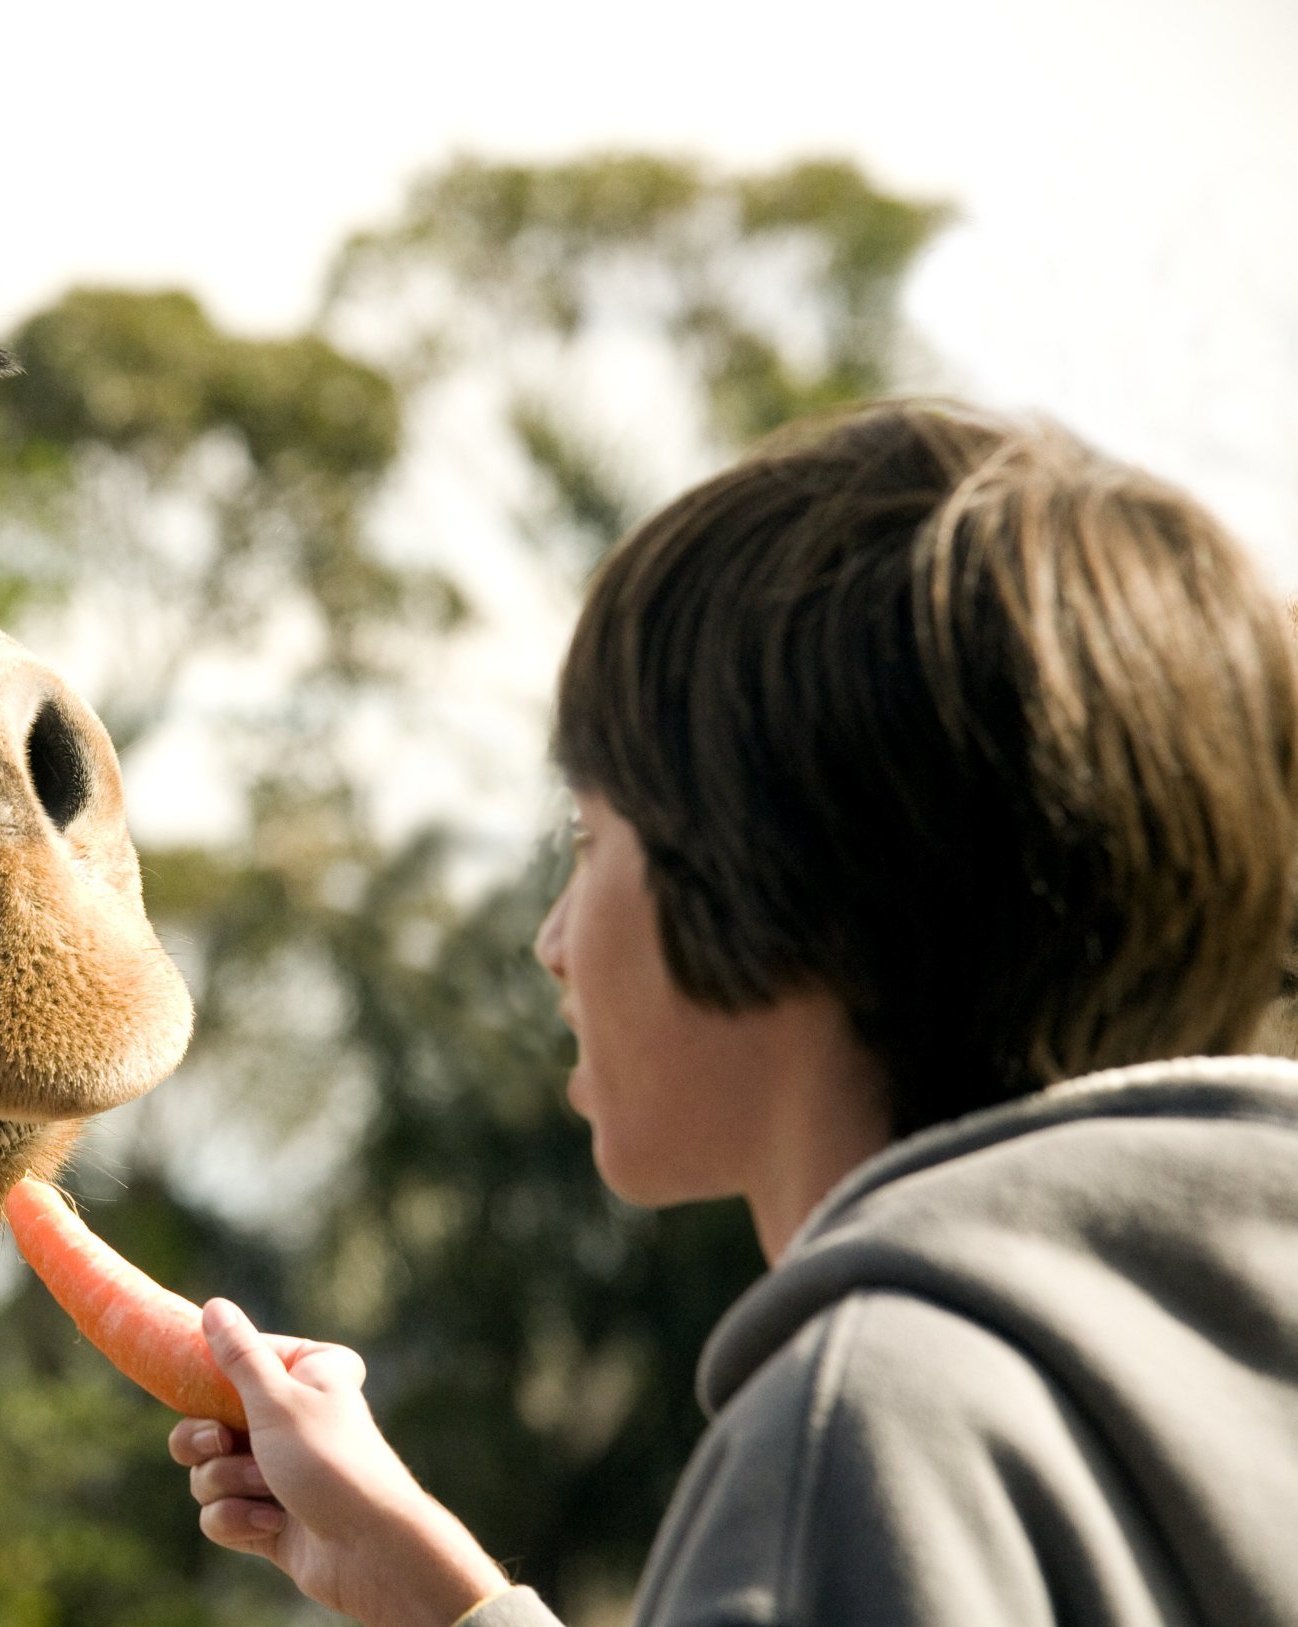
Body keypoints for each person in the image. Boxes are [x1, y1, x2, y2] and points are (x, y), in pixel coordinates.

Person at [170, 400, 1298, 1627]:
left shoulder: (865, 1431)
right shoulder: (1222, 1370)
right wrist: (452, 1604)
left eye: (590, 836)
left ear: (774, 883)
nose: (551, 943)